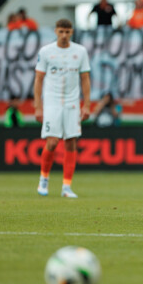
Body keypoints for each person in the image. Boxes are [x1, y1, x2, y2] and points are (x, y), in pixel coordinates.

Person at [34, 19, 91, 198]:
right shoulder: (46, 52)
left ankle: (66, 186)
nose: (64, 35)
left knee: (71, 142)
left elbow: (85, 79)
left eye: (67, 32)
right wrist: (38, 106)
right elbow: (38, 80)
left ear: (72, 32)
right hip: (52, 101)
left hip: (72, 102)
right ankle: (44, 179)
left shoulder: (80, 51)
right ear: (55, 31)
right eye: (61, 32)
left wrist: (87, 105)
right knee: (52, 142)